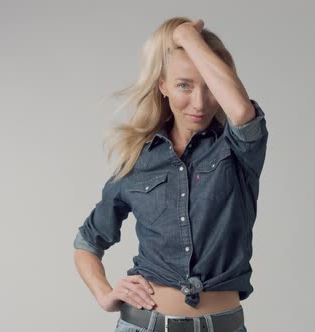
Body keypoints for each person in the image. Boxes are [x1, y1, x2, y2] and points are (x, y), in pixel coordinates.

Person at [73, 16, 268, 332]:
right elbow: (87, 242)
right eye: (184, 85)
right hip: (142, 325)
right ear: (162, 85)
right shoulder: (138, 160)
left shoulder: (237, 149)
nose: (199, 102)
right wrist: (105, 295)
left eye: (209, 86)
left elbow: (243, 112)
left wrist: (188, 37)